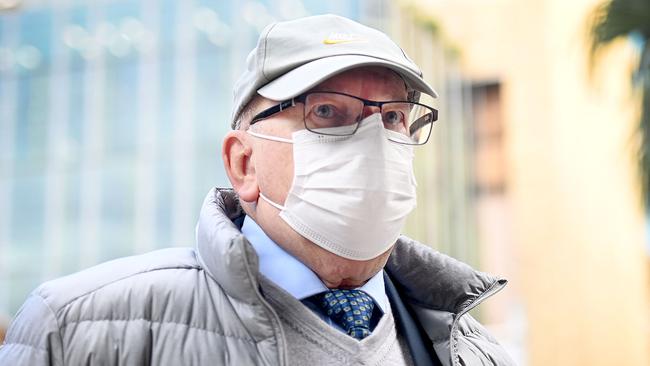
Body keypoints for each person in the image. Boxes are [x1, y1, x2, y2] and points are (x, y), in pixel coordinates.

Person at [0, 14, 515, 365]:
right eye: (326, 112)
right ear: (243, 162)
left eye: (395, 117)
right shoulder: (83, 330)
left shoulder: (478, 353)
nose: (375, 142)